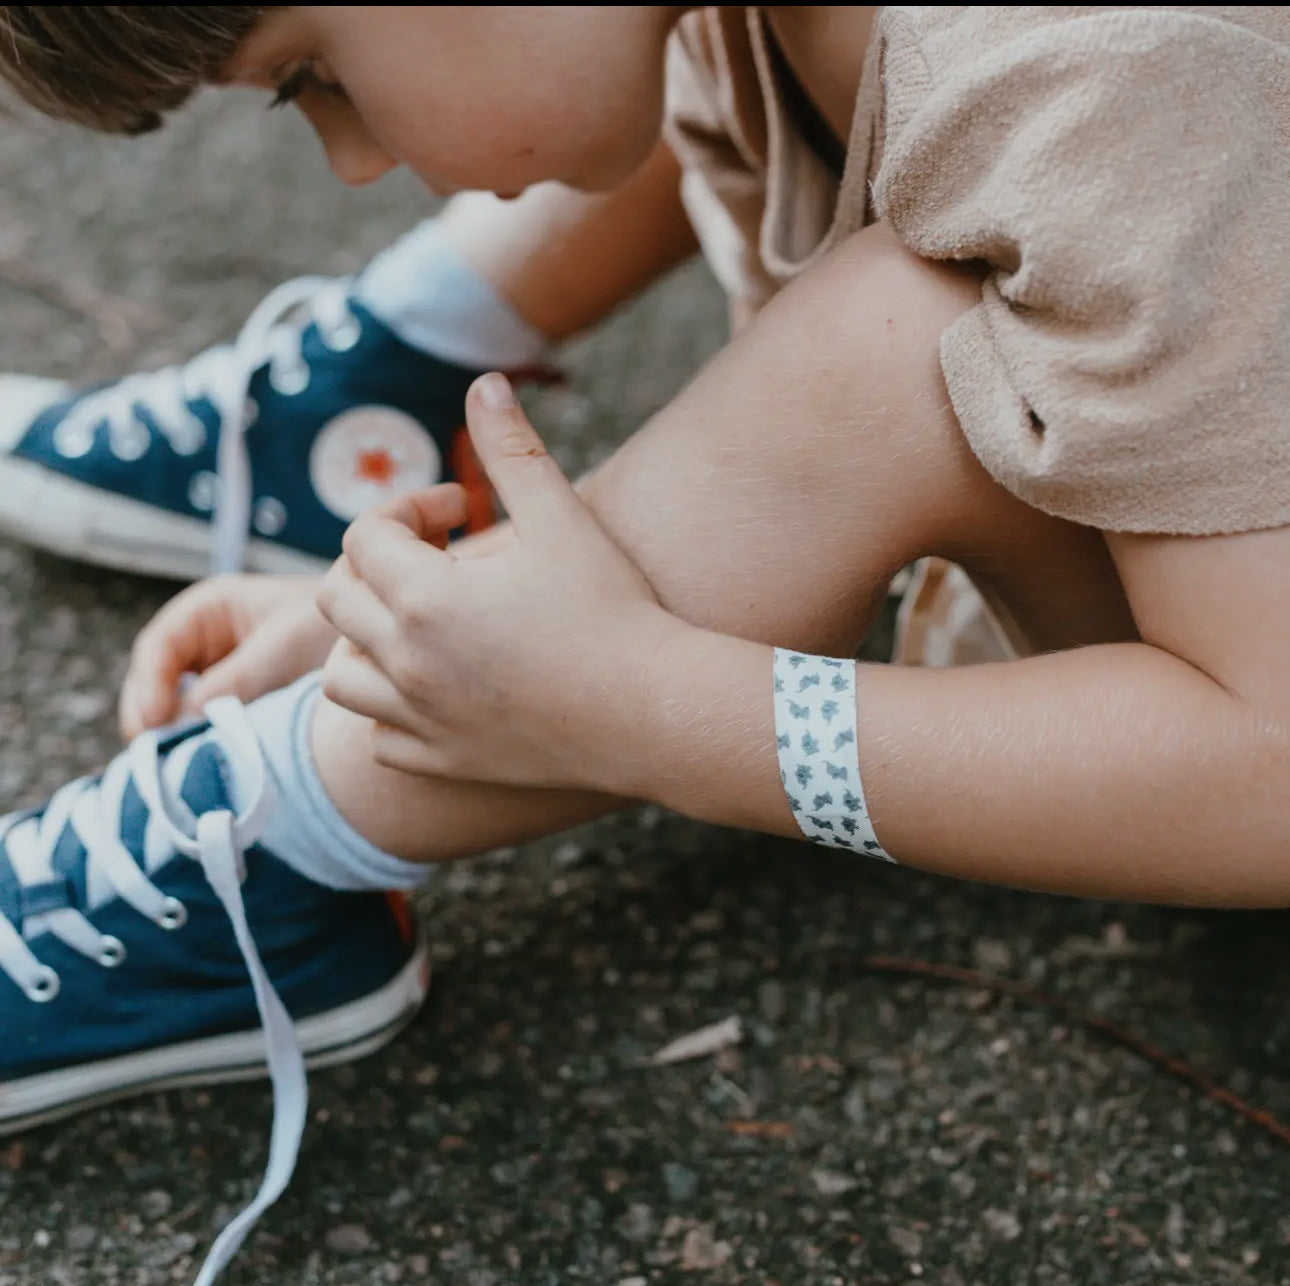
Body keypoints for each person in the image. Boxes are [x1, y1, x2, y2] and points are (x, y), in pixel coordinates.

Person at [1, 7, 1288, 1284]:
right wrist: (427, 611)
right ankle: (368, 443)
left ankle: (268, 844)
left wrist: (659, 709)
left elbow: (1274, 772)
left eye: (312, 75)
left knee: (910, 341)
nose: (351, 160)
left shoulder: (1092, 76)